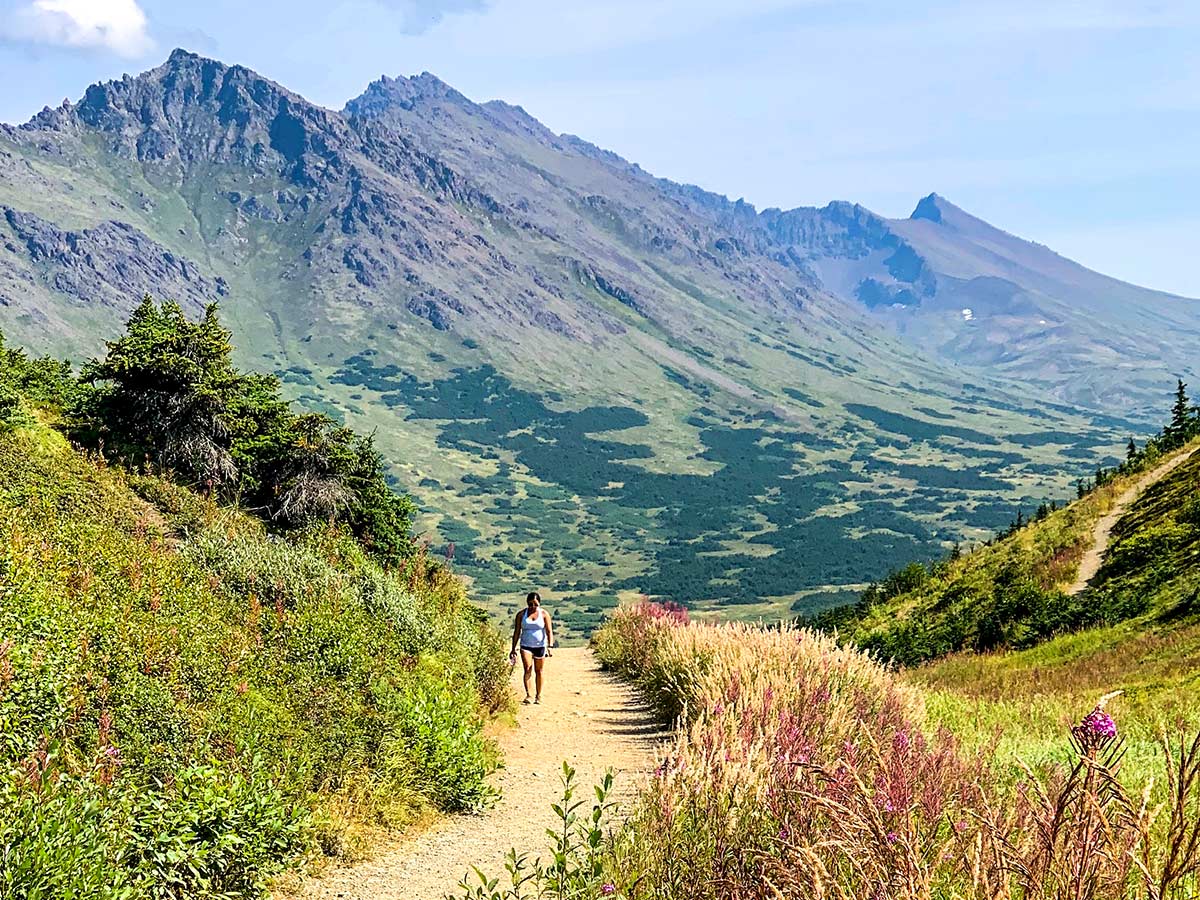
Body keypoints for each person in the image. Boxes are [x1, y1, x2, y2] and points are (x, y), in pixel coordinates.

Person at [510, 591, 554, 704]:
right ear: (527, 603)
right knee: (528, 669)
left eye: (535, 604)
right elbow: (516, 632)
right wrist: (513, 648)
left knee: (539, 671)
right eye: (530, 604)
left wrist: (550, 646)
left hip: (540, 646)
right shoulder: (521, 615)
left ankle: (539, 695)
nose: (533, 607)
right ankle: (529, 695)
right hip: (526, 645)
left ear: (539, 603)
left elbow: (549, 631)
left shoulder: (544, 614)